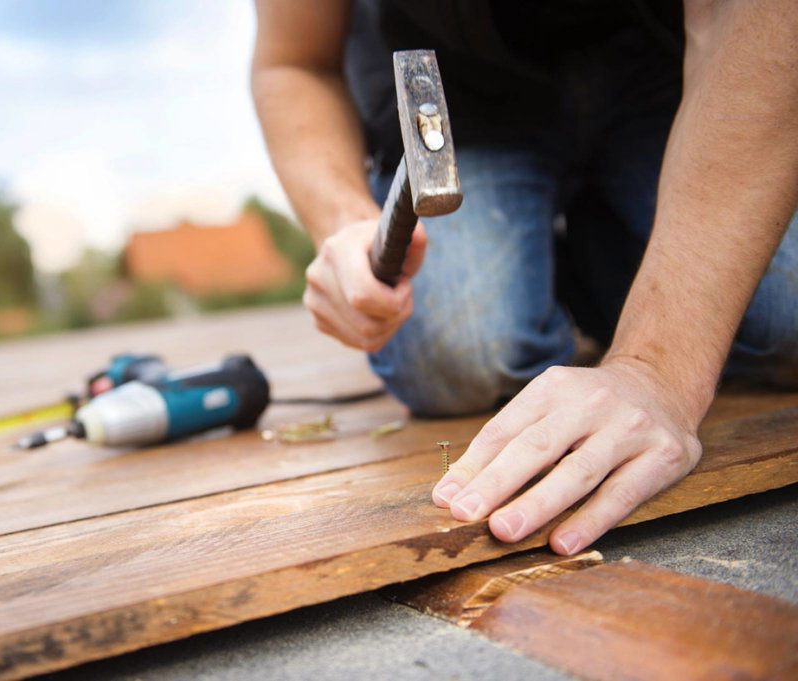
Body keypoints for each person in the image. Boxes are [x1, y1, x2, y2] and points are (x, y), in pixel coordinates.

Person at [251, 0, 798, 555]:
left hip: (670, 73)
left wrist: (659, 367)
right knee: (458, 355)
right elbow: (293, 62)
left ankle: (599, 253)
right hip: (471, 103)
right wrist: (345, 223)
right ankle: (572, 263)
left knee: (790, 313)